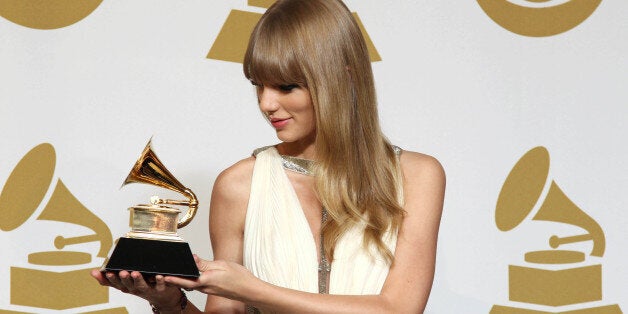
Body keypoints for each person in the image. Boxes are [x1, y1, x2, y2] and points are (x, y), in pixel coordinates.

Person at [92, 0, 445, 313]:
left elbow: (397, 308)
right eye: (258, 84)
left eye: (286, 86)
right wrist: (170, 303)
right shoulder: (239, 185)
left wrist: (252, 289)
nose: (266, 104)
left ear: (344, 78)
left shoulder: (417, 176)